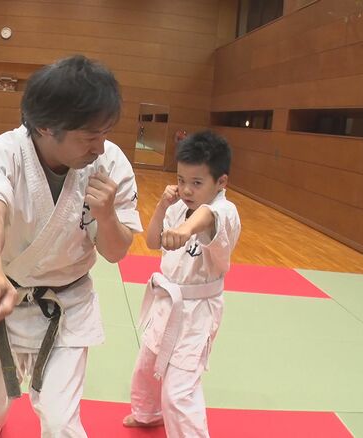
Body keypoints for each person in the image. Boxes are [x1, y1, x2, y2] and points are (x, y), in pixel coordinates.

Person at [0, 54, 143, 438]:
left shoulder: (110, 164)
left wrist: (107, 215)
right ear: (45, 126)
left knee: (60, 423)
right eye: (90, 136)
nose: (101, 147)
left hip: (67, 305)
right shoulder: (1, 153)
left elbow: (116, 252)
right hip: (1, 298)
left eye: (106, 133)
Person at [122, 130, 241, 437]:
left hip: (197, 312)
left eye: (197, 183)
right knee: (147, 365)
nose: (186, 189)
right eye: (181, 179)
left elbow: (206, 216)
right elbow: (152, 242)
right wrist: (162, 207)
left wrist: (186, 229)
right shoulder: (177, 207)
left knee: (179, 390)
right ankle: (148, 413)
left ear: (221, 182)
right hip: (167, 302)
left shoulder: (225, 212)